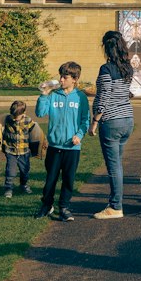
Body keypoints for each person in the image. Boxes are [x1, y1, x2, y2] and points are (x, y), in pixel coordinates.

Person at [35, 63, 90, 221]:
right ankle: (46, 205)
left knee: (68, 179)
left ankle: (64, 207)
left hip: (72, 148)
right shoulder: (53, 95)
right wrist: (44, 95)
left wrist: (79, 135)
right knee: (50, 179)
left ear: (75, 79)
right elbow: (40, 113)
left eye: (65, 77)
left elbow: (85, 121)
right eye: (60, 76)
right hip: (54, 146)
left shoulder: (80, 97)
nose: (61, 79)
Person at [90, 31, 135, 219]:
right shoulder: (127, 68)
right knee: (117, 164)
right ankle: (115, 202)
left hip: (112, 121)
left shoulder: (106, 69)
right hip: (127, 120)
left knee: (114, 166)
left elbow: (104, 97)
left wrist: (95, 121)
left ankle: (116, 207)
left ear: (106, 47)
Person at [0, 99, 39, 196]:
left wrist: (39, 144)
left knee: (25, 171)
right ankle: (8, 188)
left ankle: (24, 185)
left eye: (17, 117)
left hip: (24, 152)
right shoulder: (7, 118)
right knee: (10, 171)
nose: (14, 119)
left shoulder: (28, 121)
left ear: (24, 113)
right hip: (11, 151)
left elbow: (35, 132)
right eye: (13, 116)